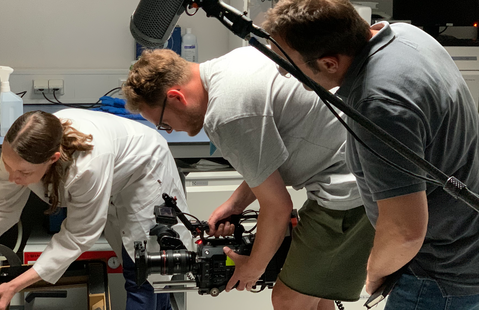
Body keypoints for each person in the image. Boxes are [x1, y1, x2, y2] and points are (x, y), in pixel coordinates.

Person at [262, 0, 479, 309]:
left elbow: (404, 233)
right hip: (464, 254)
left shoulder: (377, 104)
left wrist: (374, 274)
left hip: (438, 276)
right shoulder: (406, 35)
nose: (284, 72)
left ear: (328, 63)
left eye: (289, 66)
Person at [122, 46, 375, 310]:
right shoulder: (232, 63)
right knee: (314, 292)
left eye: (164, 124)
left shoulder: (226, 114)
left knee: (288, 299)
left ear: (176, 97)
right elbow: (272, 156)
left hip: (348, 185)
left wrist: (253, 268)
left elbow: (278, 208)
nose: (172, 131)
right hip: (358, 166)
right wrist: (236, 204)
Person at [0, 109, 192, 310]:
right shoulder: (17, 153)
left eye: (23, 172)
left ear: (53, 159)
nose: (13, 178)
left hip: (146, 170)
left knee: (144, 269)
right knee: (145, 272)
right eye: (8, 166)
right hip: (115, 174)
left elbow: (77, 236)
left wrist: (13, 286)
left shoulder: (87, 165)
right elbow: (0, 210)